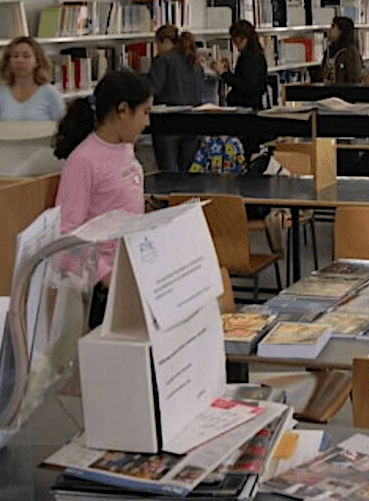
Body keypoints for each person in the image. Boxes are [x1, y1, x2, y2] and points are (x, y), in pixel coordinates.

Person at [53, 71, 153, 328]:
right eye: (144, 112)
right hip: (106, 288)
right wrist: (105, 276)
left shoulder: (125, 148)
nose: (147, 122)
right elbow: (67, 234)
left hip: (134, 270)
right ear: (122, 110)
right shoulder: (83, 161)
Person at [147, 24, 215, 172]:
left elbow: (154, 88)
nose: (157, 48)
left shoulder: (163, 59)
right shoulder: (194, 60)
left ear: (165, 42)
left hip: (168, 122)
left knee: (168, 174)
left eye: (157, 44)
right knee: (186, 174)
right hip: (192, 121)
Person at [0, 36, 66, 121]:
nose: (20, 60)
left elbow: (63, 129)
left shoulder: (51, 94)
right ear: (8, 61)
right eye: (15, 56)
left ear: (37, 61)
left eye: (26, 56)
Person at [217, 20, 268, 110]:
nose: (234, 44)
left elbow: (244, 86)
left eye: (235, 40)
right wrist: (227, 71)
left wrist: (224, 74)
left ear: (243, 38)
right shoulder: (255, 55)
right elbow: (242, 78)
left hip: (246, 107)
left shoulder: (250, 57)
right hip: (249, 105)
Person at [320, 16, 364, 85]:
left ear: (341, 30)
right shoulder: (329, 50)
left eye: (333, 26)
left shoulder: (350, 52)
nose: (330, 29)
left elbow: (354, 78)